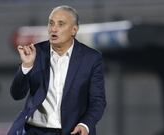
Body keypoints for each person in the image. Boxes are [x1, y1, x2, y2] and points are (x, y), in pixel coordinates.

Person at [8, 5, 106, 135]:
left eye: (61, 24)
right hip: (35, 130)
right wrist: (26, 66)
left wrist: (85, 124)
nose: (54, 29)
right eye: (51, 23)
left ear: (74, 30)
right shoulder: (35, 53)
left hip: (72, 131)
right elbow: (17, 94)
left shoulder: (91, 58)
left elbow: (98, 101)